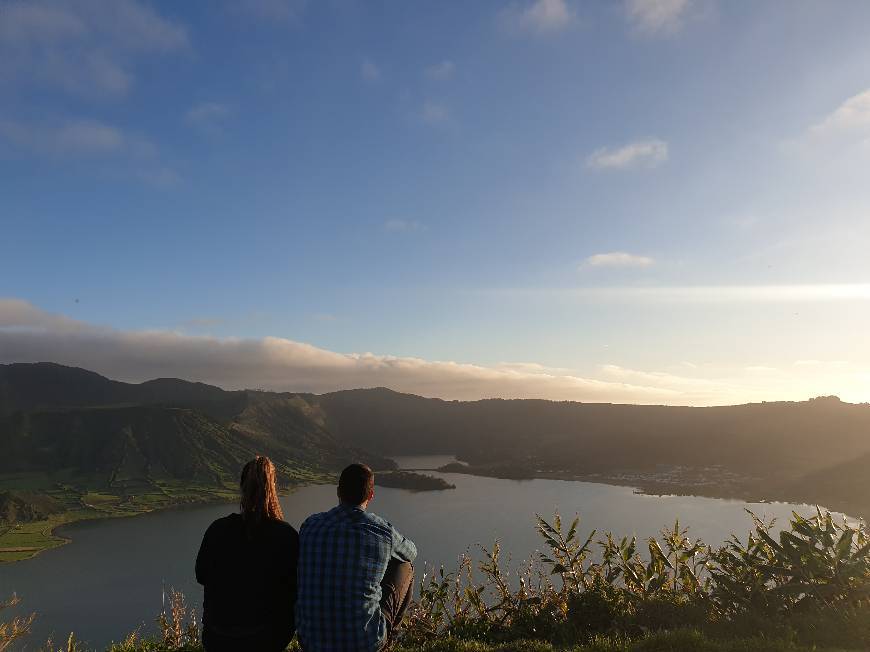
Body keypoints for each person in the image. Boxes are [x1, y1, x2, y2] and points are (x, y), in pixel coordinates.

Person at [297, 463, 417, 651]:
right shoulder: (382, 530)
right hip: (364, 643)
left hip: (310, 641)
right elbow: (412, 552)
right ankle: (388, 639)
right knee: (405, 565)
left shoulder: (310, 525)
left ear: (338, 492)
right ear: (371, 495)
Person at [195, 456, 298, 652]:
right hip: (267, 638)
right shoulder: (286, 536)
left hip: (217, 637)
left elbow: (201, 575)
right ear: (273, 489)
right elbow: (295, 588)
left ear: (242, 487)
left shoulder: (218, 529)